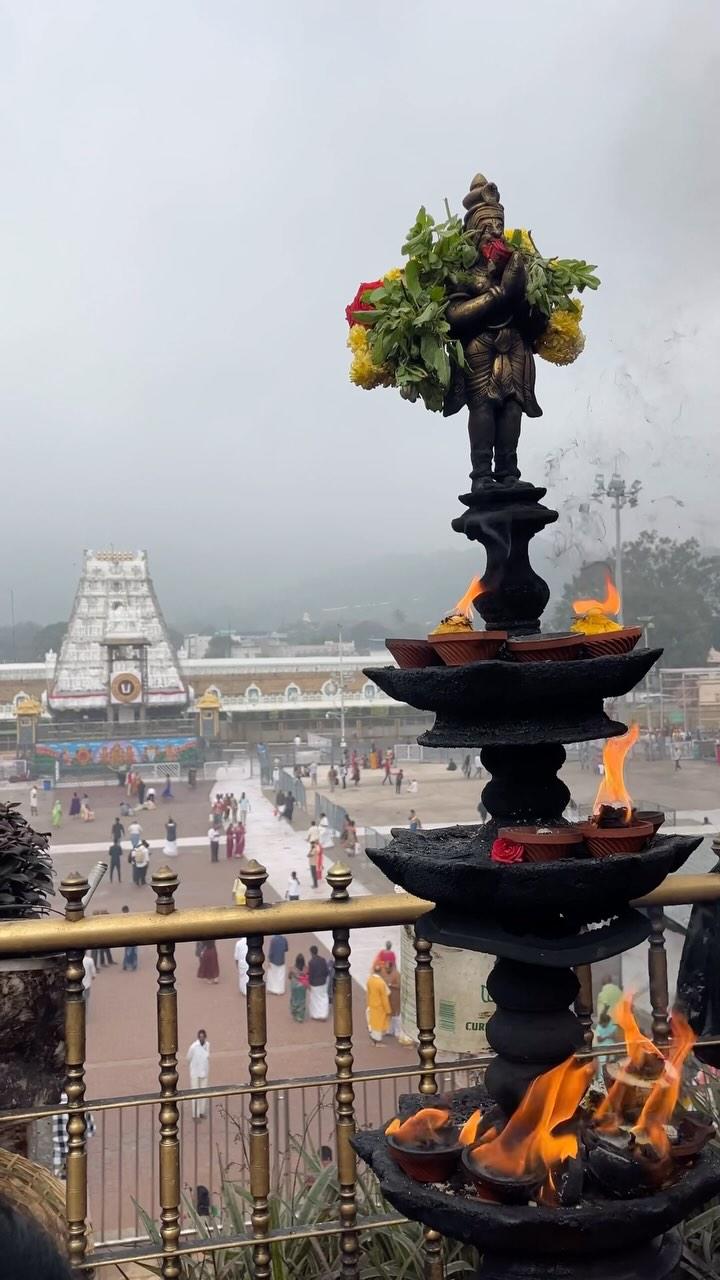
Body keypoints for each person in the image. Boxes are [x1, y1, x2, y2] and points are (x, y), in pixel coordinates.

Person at [186, 1030, 210, 1121]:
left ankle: (201, 1112)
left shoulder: (207, 1045)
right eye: (200, 1036)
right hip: (195, 1073)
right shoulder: (193, 1047)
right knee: (195, 1093)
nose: (202, 1038)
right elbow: (188, 1057)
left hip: (204, 1072)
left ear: (205, 1037)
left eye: (203, 1036)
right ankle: (195, 1114)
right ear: (198, 1037)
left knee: (203, 1093)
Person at [366, 964, 391, 1044]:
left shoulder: (370, 980)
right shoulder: (381, 983)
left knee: (373, 1021)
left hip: (372, 1003)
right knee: (379, 1023)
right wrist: (388, 1009)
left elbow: (368, 993)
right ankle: (377, 1040)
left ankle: (373, 1037)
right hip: (380, 1006)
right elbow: (384, 997)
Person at [308, 945, 330, 1021]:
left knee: (315, 1000)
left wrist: (309, 983)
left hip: (315, 983)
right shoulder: (323, 960)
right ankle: (324, 1014)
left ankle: (316, 1015)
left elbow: (310, 974)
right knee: (324, 998)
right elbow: (327, 971)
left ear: (311, 953)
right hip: (323, 982)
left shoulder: (311, 962)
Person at [289, 953, 309, 1022]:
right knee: (302, 1000)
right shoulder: (306, 969)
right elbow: (308, 976)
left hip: (294, 986)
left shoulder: (292, 969)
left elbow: (289, 977)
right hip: (303, 986)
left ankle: (295, 1013)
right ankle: (300, 1017)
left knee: (294, 999)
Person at [386, 960, 402, 1038]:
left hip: (396, 996)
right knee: (390, 1014)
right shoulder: (388, 974)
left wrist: (391, 985)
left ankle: (397, 1031)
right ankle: (390, 1030)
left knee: (396, 1014)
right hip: (390, 997)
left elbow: (400, 985)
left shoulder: (397, 974)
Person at [121, 905, 138, 970]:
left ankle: (130, 965)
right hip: (132, 937)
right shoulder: (131, 916)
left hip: (130, 937)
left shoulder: (128, 918)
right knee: (130, 952)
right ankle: (129, 965)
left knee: (130, 952)